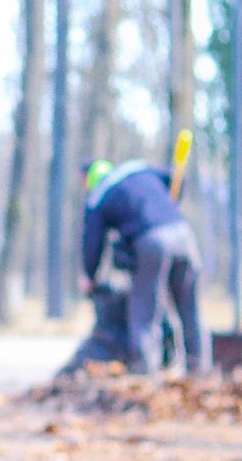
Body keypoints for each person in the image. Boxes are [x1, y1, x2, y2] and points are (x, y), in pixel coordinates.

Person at [81, 159, 210, 375]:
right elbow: (176, 178)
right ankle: (201, 373)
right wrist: (172, 200)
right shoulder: (139, 170)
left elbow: (93, 242)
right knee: (190, 309)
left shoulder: (99, 196)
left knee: (144, 311)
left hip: (151, 243)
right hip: (183, 234)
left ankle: (145, 375)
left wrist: (89, 275)